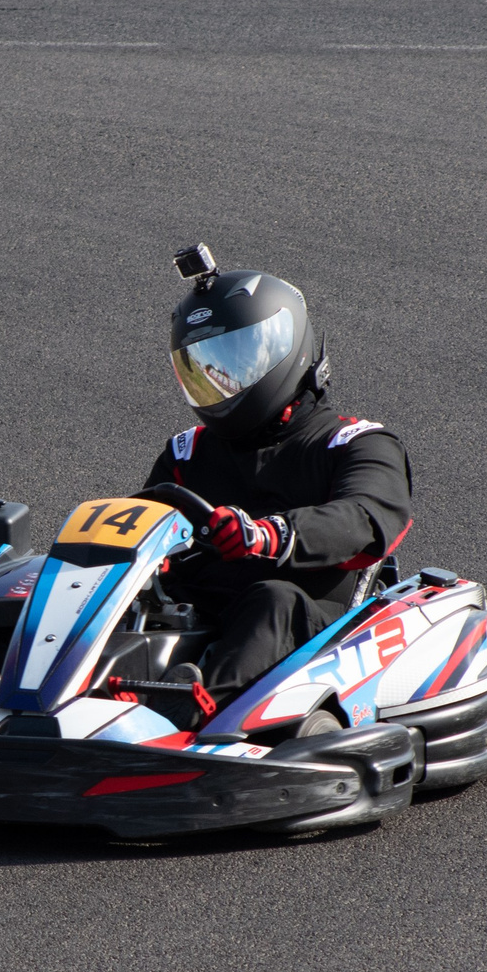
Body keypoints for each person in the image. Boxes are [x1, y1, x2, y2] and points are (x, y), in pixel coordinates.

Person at [144, 245, 414, 698]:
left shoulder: (357, 442)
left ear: (286, 349)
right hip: (196, 611)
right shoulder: (187, 452)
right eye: (204, 367)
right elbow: (143, 525)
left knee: (272, 600)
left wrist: (267, 534)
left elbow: (365, 520)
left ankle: (191, 713)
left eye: (235, 361)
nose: (219, 379)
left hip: (309, 630)